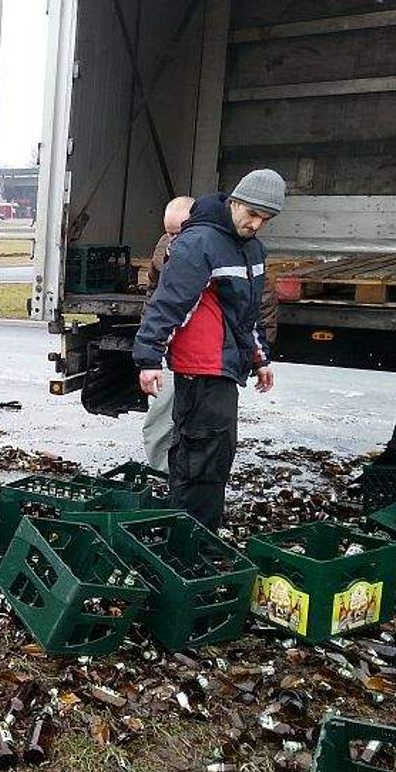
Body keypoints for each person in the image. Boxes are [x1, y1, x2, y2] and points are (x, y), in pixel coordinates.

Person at [133, 168, 286, 531]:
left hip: (225, 366)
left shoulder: (251, 249)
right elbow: (168, 303)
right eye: (251, 214)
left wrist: (260, 358)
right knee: (200, 454)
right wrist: (149, 358)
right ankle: (189, 538)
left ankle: (197, 532)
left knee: (214, 452)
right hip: (200, 365)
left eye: (265, 218)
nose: (256, 224)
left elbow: (248, 313)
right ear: (234, 202)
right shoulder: (198, 243)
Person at [140, 196, 195, 472]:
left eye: (178, 232)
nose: (172, 238)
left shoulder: (208, 249)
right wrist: (150, 334)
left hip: (197, 353)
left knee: (188, 419)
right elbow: (154, 291)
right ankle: (163, 473)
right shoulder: (165, 246)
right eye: (168, 232)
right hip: (170, 348)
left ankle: (176, 478)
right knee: (162, 418)